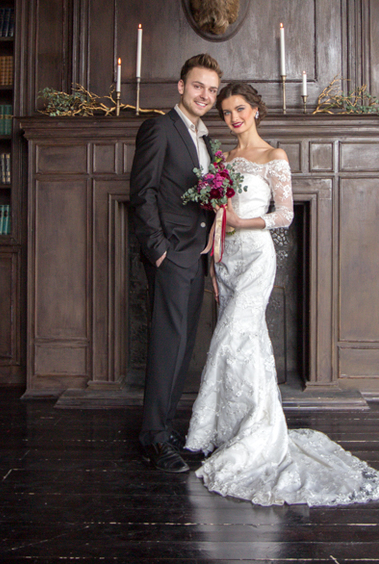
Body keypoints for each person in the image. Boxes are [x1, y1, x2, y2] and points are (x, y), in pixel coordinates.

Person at [185, 81, 379, 506]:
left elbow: (285, 214)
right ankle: (236, 426)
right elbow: (217, 213)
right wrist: (217, 248)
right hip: (227, 258)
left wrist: (243, 223)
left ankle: (251, 431)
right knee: (248, 340)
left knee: (233, 337)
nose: (233, 118)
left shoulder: (274, 156)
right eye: (226, 112)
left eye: (240, 109)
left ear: (256, 110)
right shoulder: (223, 159)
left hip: (256, 256)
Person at [129, 53, 222, 474]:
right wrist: (159, 249)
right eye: (198, 86)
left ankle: (164, 429)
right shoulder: (159, 128)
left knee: (182, 346)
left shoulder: (206, 138)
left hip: (195, 255)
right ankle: (152, 438)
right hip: (171, 255)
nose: (205, 95)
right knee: (168, 345)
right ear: (181, 86)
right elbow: (143, 192)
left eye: (212, 90)